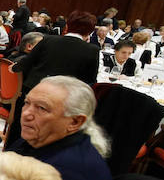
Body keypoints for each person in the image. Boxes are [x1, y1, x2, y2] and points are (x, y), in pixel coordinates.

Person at [7, 11, 99, 145]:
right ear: (90, 32)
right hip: (62, 102)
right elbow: (89, 81)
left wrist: (14, 67)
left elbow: (25, 63)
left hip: (34, 92)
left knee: (20, 124)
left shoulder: (48, 39)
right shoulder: (92, 50)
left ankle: (12, 148)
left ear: (67, 26)